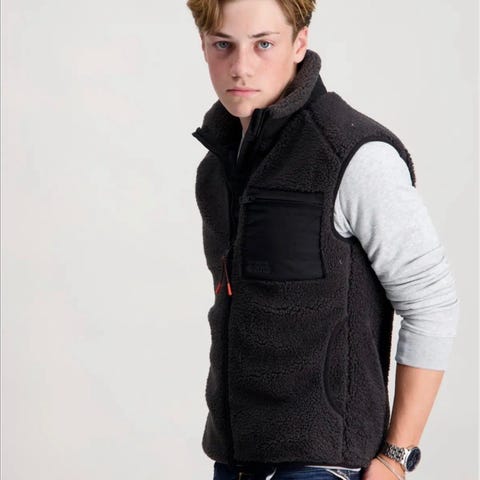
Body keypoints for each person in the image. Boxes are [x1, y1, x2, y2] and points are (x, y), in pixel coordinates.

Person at [186, 0, 460, 479]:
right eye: (223, 45)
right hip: (235, 461)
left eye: (263, 44)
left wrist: (396, 458)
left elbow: (431, 302)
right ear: (204, 47)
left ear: (300, 43)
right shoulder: (217, 168)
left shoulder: (353, 154)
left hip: (325, 466)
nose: (241, 67)